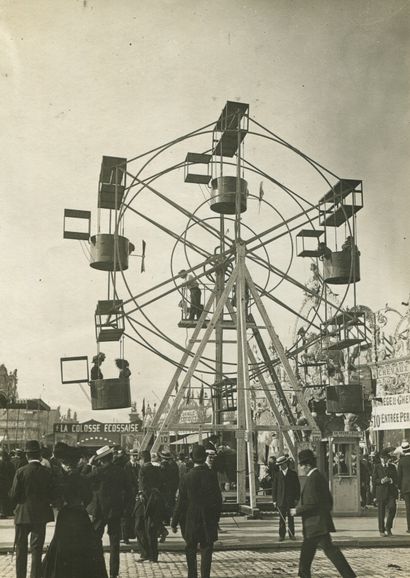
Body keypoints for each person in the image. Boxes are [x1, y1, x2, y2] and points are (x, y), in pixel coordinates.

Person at [42, 446, 108, 578]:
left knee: (62, 546)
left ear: (66, 464)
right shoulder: (82, 478)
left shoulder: (63, 480)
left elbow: (55, 497)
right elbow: (88, 497)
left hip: (66, 516)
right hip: (80, 515)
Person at [292, 449, 356, 578]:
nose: (300, 467)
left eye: (301, 465)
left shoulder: (313, 479)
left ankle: (349, 575)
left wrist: (297, 510)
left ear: (307, 465)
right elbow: (328, 501)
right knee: (327, 551)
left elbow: (312, 503)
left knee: (310, 556)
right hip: (319, 523)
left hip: (315, 525)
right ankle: (349, 575)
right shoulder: (318, 477)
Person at [171, 444, 222, 578]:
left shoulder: (186, 477)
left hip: (191, 519)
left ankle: (192, 575)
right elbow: (218, 500)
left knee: (190, 548)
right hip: (208, 518)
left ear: (192, 459)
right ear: (205, 457)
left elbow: (181, 502)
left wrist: (174, 521)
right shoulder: (212, 475)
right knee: (206, 549)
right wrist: (215, 519)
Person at [83, 445, 132, 578]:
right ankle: (113, 574)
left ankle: (96, 571)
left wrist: (88, 464)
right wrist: (126, 508)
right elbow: (130, 491)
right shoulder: (121, 471)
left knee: (94, 541)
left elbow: (82, 479)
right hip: (115, 511)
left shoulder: (98, 472)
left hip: (99, 512)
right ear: (111, 457)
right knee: (115, 544)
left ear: (100, 460)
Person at [9, 440, 55, 578]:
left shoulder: (21, 471)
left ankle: (20, 576)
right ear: (40, 455)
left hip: (22, 514)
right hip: (40, 515)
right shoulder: (47, 472)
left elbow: (13, 495)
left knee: (21, 550)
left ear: (27, 456)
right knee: (36, 550)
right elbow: (52, 495)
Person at [135, 449, 166, 563]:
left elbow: (142, 487)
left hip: (145, 502)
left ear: (142, 459)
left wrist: (141, 494)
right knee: (151, 529)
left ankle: (145, 553)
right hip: (155, 501)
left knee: (139, 527)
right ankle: (153, 556)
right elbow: (162, 484)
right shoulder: (156, 469)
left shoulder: (142, 469)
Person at [272, 455, 300, 541]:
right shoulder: (277, 475)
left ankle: (292, 534)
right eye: (279, 465)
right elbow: (274, 489)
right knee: (282, 519)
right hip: (281, 501)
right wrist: (274, 500)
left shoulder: (293, 474)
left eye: (281, 464)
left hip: (291, 501)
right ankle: (282, 535)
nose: (280, 466)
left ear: (285, 464)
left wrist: (296, 499)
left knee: (291, 518)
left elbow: (297, 488)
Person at [373, 448, 399, 536]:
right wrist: (381, 481)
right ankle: (381, 530)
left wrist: (390, 480)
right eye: (382, 458)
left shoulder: (392, 467)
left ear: (388, 458)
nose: (383, 459)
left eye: (385, 458)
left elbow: (396, 479)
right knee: (381, 512)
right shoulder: (377, 467)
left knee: (392, 508)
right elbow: (374, 480)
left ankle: (388, 527)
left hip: (391, 492)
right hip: (381, 492)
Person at [159, 449, 179, 525]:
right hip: (172, 487)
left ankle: (166, 519)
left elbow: (162, 477)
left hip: (165, 487)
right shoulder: (174, 464)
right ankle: (172, 518)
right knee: (171, 502)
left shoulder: (164, 465)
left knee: (165, 503)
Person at [398, 440, 410, 533]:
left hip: (406, 487)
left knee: (408, 507)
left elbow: (399, 475)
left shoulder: (401, 461)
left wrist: (399, 487)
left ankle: (409, 528)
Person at [0, 449, 15, 517]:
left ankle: (3, 512)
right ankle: (8, 511)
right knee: (7, 498)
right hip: (9, 483)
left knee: (2, 498)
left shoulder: (1, 463)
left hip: (2, 483)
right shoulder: (11, 464)